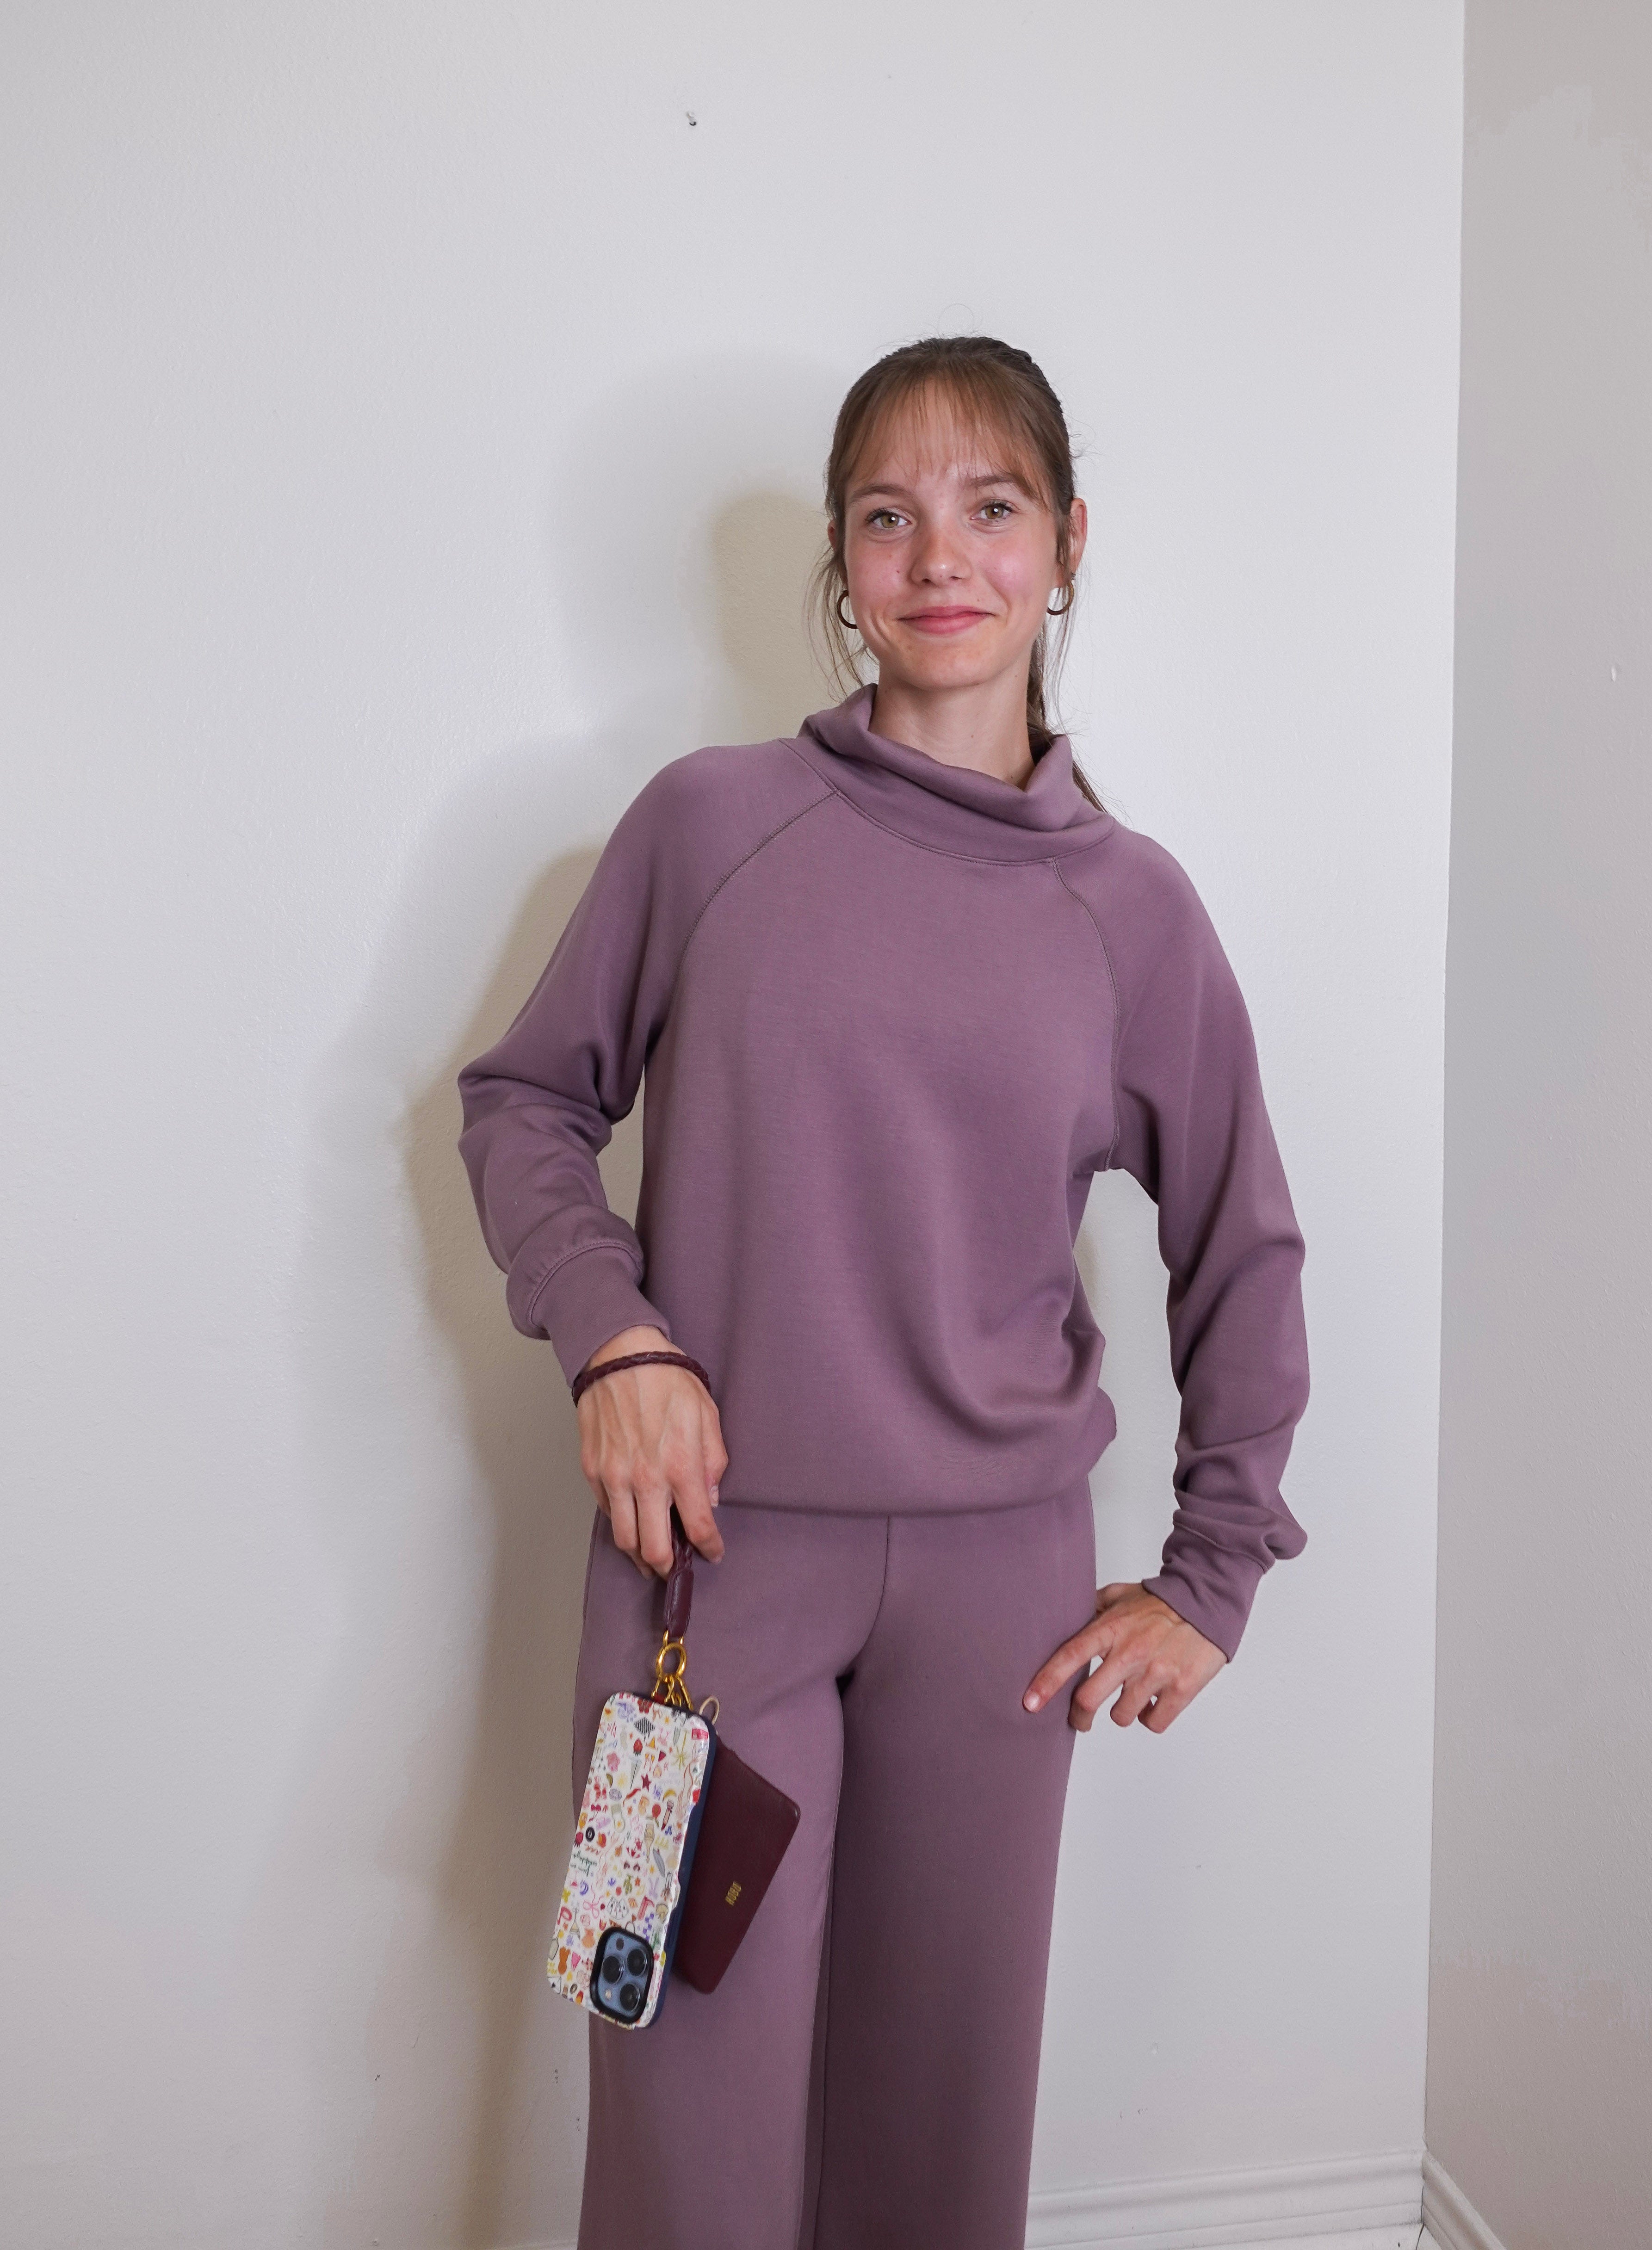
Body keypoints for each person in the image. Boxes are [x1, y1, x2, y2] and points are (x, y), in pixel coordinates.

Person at [456, 334, 1311, 2250]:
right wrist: (618, 1334)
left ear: (1068, 542)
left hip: (1000, 1600)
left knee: (941, 2145)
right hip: (696, 1578)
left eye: (993, 507)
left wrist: (1213, 1575)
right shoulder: (707, 824)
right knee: (677, 2115)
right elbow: (522, 1103)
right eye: (889, 514)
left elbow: (1243, 1237)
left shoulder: (1134, 908)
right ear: (843, 564)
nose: (943, 555)